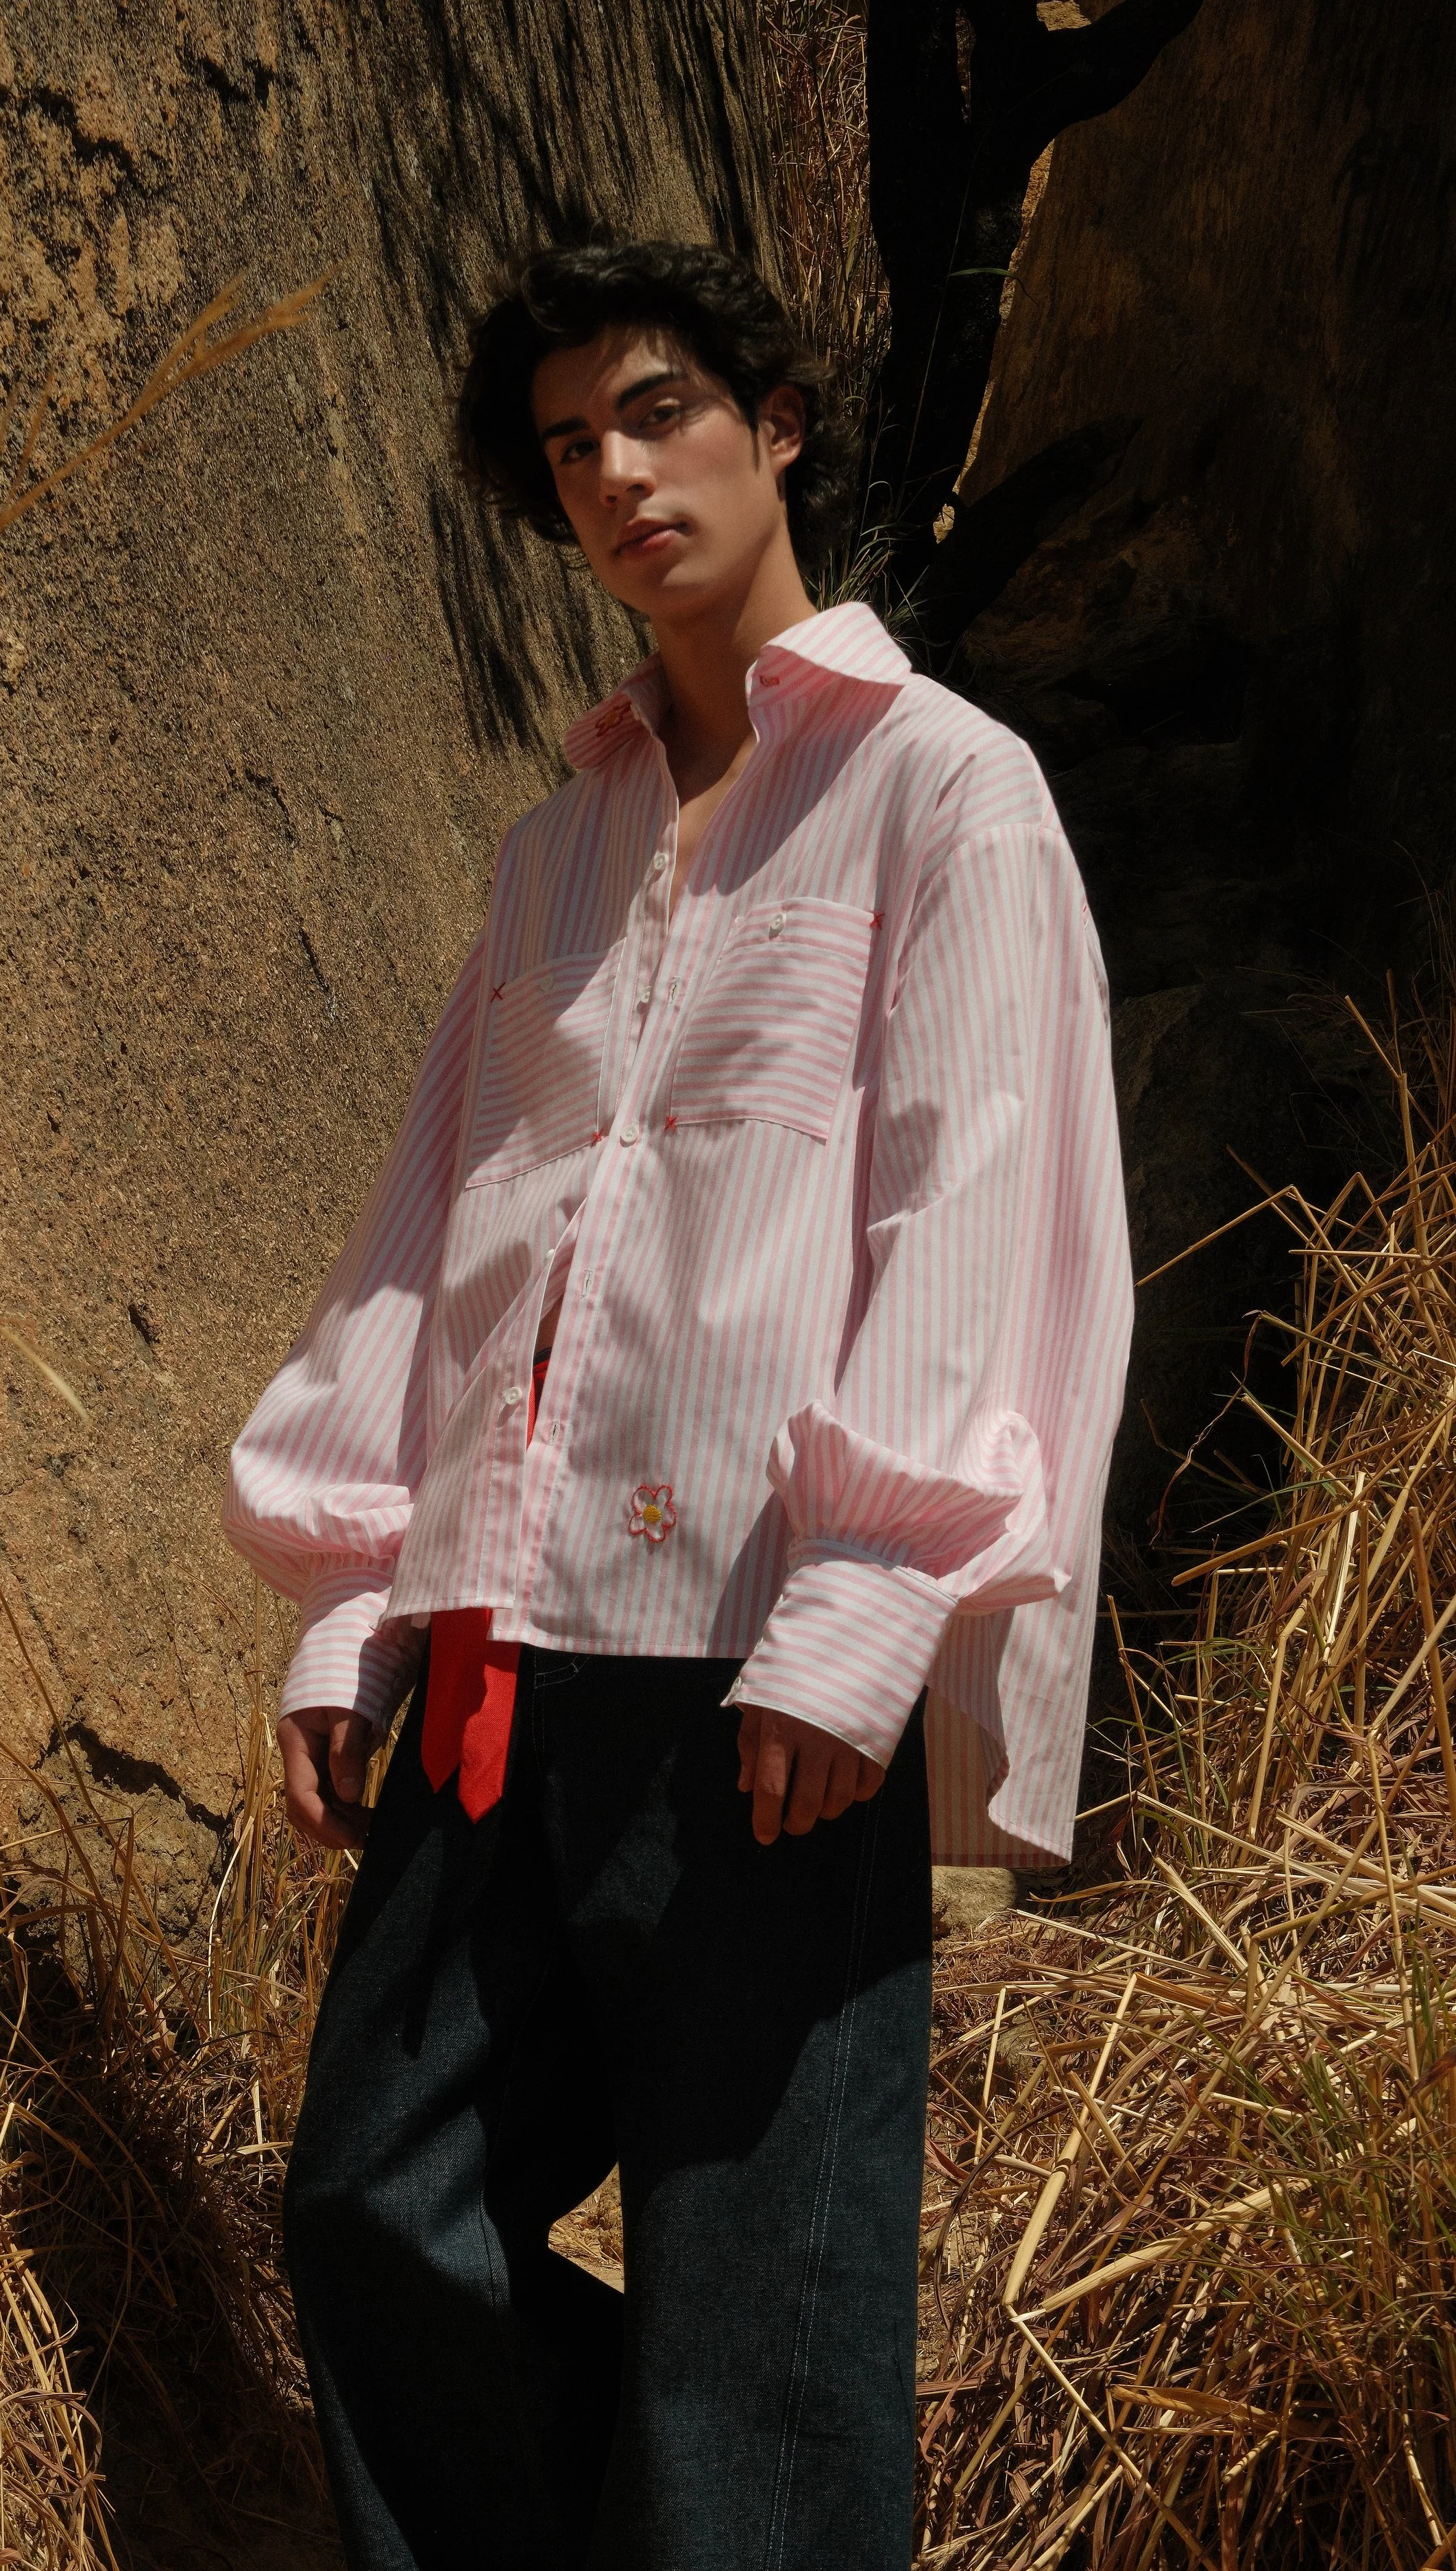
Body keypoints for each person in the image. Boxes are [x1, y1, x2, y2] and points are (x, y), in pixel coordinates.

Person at [224, 237, 1133, 2571]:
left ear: (775, 420)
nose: (612, 475)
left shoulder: (948, 792)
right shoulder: (560, 846)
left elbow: (982, 1199)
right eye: (563, 452)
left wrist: (863, 1611)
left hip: (759, 1669)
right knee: (372, 2213)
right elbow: (438, 1228)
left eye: (652, 414)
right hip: (500, 1661)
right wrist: (352, 1592)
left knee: (762, 2333)